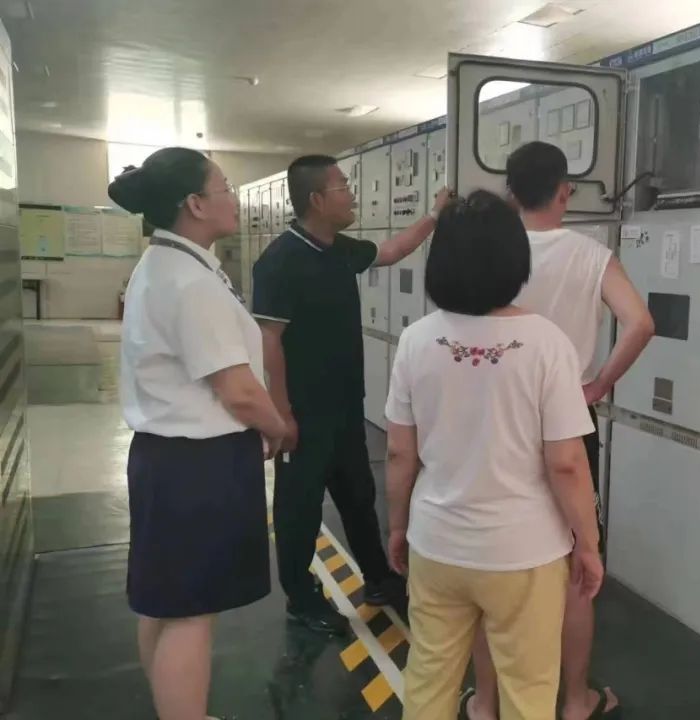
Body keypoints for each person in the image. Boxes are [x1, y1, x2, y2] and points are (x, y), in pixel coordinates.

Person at [385, 190, 604, 720]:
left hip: (437, 542)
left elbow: (398, 453)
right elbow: (566, 463)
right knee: (528, 686)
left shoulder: (416, 340)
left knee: (430, 674)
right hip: (524, 551)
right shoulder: (547, 343)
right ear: (514, 260)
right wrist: (588, 542)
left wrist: (397, 526)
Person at [466, 141, 654, 720]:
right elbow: (641, 323)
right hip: (568, 422)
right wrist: (597, 385)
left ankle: (487, 703)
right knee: (578, 565)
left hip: (497, 423)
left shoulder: (489, 253)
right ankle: (575, 701)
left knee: (494, 561)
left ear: (510, 193)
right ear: (565, 191)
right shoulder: (591, 255)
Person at [111, 148, 288, 720]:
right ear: (194, 203)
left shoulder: (164, 265)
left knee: (165, 604)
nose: (234, 199)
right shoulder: (189, 282)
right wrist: (278, 426)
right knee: (192, 612)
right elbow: (237, 389)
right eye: (225, 187)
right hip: (199, 466)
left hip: (168, 459)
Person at [253, 154, 451, 634]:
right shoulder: (280, 261)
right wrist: (281, 414)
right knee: (300, 508)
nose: (352, 193)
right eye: (343, 186)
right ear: (318, 199)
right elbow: (269, 340)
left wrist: (434, 215)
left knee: (359, 495)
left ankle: (378, 577)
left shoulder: (338, 249)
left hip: (345, 407)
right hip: (303, 412)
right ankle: (301, 598)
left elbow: (391, 251)